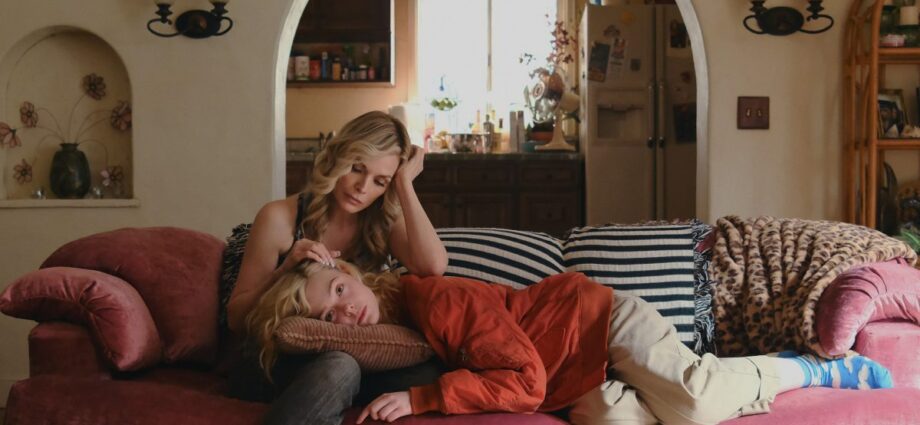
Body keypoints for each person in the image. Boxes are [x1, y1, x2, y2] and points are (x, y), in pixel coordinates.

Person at [248, 260, 895, 425]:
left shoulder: (435, 300)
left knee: (696, 401)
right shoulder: (392, 340)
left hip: (599, 322)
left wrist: (424, 399)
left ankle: (807, 368)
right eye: (329, 316)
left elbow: (523, 381)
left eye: (339, 289)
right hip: (571, 377)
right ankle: (731, 381)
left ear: (352, 271)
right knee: (614, 418)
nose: (345, 311)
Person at [224, 111, 449, 425]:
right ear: (338, 157)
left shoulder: (381, 219)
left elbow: (433, 266)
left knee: (430, 369)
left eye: (379, 181)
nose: (362, 187)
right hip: (276, 357)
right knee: (340, 366)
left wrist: (404, 185)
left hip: (360, 355)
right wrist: (285, 269)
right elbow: (236, 319)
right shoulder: (280, 218)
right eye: (357, 168)